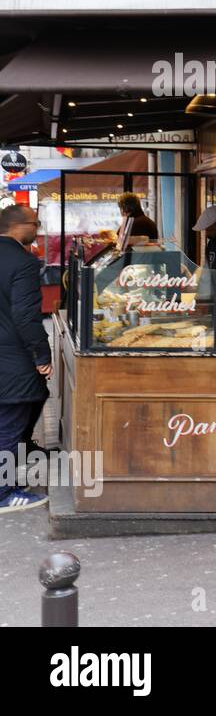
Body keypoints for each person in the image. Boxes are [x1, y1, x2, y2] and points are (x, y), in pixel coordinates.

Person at [0, 205, 53, 512]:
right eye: (35, 223)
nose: (38, 228)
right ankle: (4, 493)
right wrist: (41, 354)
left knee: (25, 407)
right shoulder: (24, 262)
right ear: (19, 227)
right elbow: (25, 316)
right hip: (13, 356)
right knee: (10, 420)